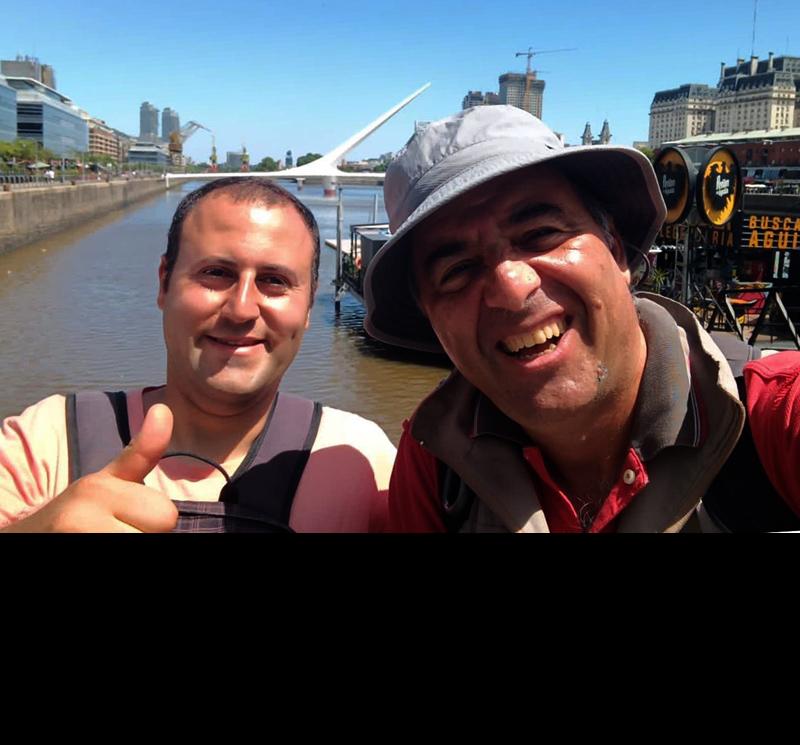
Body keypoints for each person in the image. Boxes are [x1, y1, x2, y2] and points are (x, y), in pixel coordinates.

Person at [363, 105, 800, 532]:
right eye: (457, 270)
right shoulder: (436, 466)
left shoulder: (775, 419)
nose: (512, 288)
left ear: (616, 251)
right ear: (433, 321)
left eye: (541, 234)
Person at [1, 176, 396, 533]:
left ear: (308, 307)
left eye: (274, 281)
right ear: (164, 283)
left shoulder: (363, 460)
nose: (241, 309)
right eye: (216, 273)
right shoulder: (46, 441)